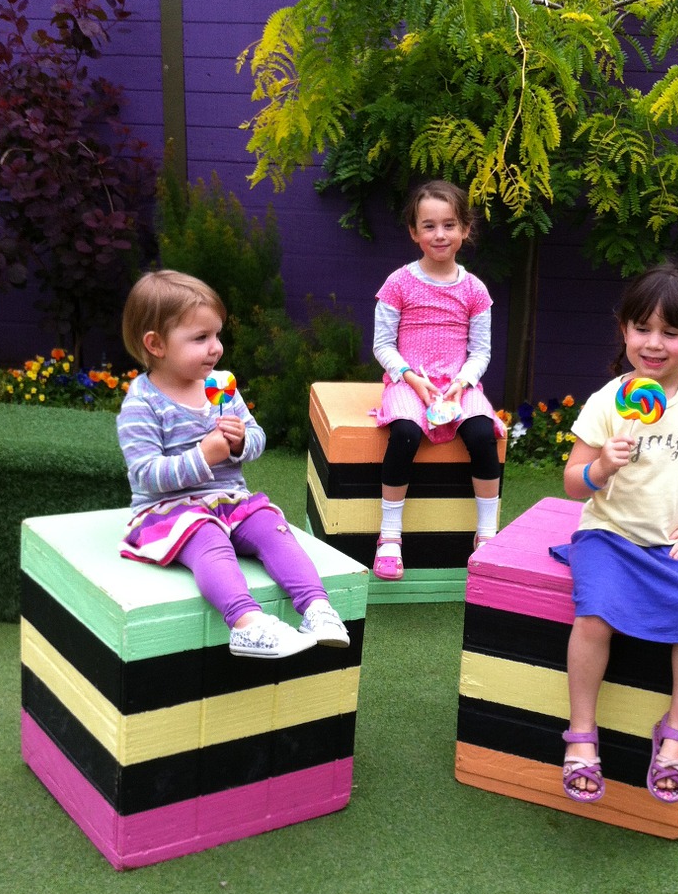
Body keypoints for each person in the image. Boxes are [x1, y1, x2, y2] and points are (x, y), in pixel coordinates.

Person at [554, 262, 678, 804]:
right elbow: (574, 483)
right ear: (624, 331)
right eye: (643, 328)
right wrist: (601, 469)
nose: (655, 343)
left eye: (671, 332)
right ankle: (582, 734)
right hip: (609, 535)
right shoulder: (607, 402)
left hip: (673, 542)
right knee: (593, 615)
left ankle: (676, 733)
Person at [116, 269, 350, 659]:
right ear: (155, 344)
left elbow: (257, 438)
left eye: (216, 335)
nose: (216, 348)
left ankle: (316, 608)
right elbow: (145, 474)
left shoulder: (221, 386)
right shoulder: (143, 403)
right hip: (168, 511)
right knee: (210, 541)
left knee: (273, 528)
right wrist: (203, 457)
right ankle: (246, 624)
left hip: (229, 499)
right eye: (200, 338)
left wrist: (241, 441)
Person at [371, 179, 505, 580]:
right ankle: (390, 536)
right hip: (408, 382)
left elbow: (481, 351)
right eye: (428, 226)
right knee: (406, 434)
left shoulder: (475, 290)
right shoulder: (398, 283)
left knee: (484, 436)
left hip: (457, 386)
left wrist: (462, 383)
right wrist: (411, 378)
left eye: (449, 225)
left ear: (465, 229)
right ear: (414, 233)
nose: (439, 234)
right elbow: (382, 345)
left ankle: (487, 535)